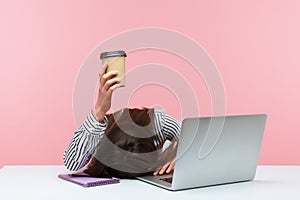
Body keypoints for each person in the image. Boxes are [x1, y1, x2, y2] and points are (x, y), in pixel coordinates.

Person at [63, 63, 181, 178]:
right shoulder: (100, 134)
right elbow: (72, 162)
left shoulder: (158, 123)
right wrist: (98, 110)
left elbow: (196, 141)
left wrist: (182, 151)